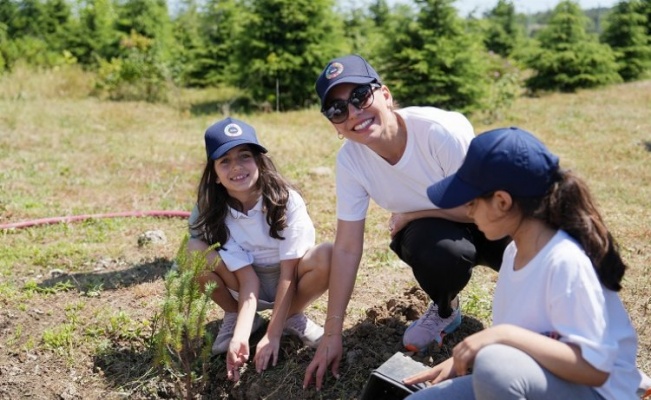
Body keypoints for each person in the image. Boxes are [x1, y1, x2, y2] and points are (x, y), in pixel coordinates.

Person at [303, 54, 510, 390]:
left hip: (493, 214)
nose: (354, 112)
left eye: (360, 96)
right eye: (338, 109)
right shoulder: (352, 162)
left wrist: (414, 212)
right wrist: (332, 332)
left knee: (518, 250)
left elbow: (484, 208)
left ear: (385, 94)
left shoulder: (438, 133)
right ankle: (446, 310)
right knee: (438, 252)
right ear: (334, 125)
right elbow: (346, 248)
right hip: (442, 229)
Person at [402, 126, 641, 399]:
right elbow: (533, 335)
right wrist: (460, 361)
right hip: (545, 382)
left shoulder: (564, 261)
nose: (466, 211)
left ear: (502, 201)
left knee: (495, 368)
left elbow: (595, 370)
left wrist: (502, 336)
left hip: (598, 392)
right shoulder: (515, 252)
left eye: (471, 202)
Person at [187, 117, 332, 382]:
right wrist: (241, 337)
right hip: (243, 282)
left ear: (259, 162)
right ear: (215, 174)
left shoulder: (286, 201)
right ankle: (239, 317)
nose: (237, 167)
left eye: (245, 156)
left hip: (289, 279)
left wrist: (273, 334)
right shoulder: (215, 211)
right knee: (194, 251)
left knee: (328, 255)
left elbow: (289, 272)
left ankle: (289, 316)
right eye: (225, 161)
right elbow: (247, 279)